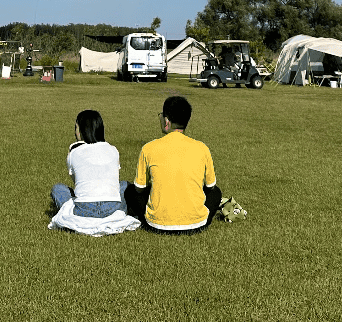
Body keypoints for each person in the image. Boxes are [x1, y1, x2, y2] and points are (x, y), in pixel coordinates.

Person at [127, 95, 220, 234]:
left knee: (130, 191)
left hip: (156, 225)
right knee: (216, 192)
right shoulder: (202, 148)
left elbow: (139, 189)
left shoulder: (149, 148)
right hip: (196, 224)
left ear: (166, 121)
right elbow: (210, 186)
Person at [48, 110, 138, 236]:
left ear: (81, 130)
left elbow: (77, 183)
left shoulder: (74, 153)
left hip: (84, 209)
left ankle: (78, 216)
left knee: (58, 189)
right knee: (124, 185)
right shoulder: (113, 150)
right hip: (112, 208)